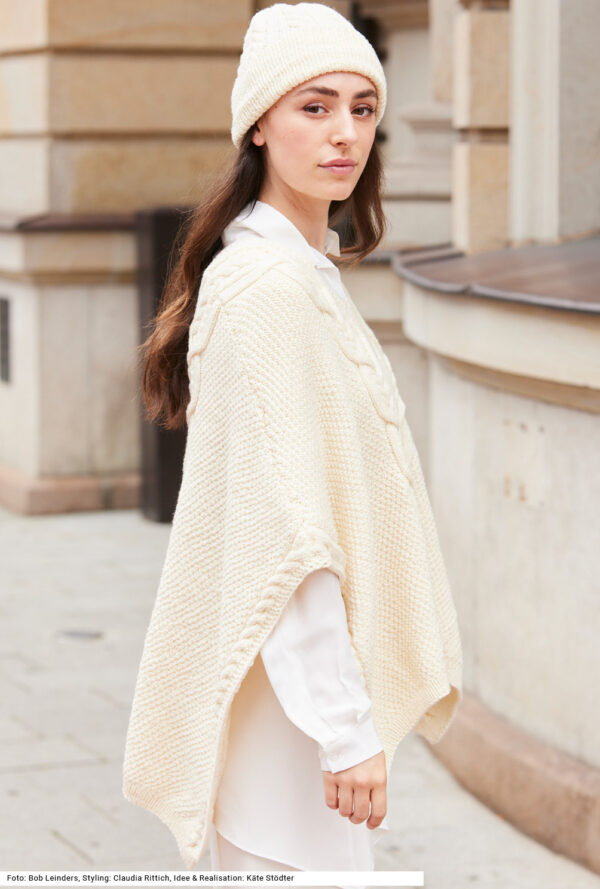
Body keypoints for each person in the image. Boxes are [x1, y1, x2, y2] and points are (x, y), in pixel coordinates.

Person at [122, 3, 463, 885]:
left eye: (362, 107)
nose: (345, 132)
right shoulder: (266, 287)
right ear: (259, 125)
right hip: (287, 724)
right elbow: (289, 537)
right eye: (315, 106)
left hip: (292, 713)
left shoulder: (304, 272)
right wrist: (343, 731)